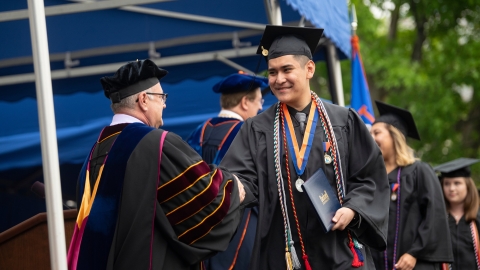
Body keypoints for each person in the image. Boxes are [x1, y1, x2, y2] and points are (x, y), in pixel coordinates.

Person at [220, 25, 390, 269]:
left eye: (287, 69)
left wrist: (353, 209)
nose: (279, 79)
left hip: (339, 251)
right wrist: (233, 185)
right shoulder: (256, 129)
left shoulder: (344, 121)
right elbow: (241, 177)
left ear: (309, 68)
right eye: (272, 72)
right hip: (283, 254)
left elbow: (369, 178)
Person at [66, 59, 246, 270]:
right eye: (161, 97)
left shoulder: (95, 152)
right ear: (143, 100)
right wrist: (234, 189)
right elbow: (204, 202)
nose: (165, 104)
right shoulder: (156, 144)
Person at [187, 72, 267, 270]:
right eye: (258, 101)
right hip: (241, 233)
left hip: (199, 235)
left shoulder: (199, 131)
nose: (261, 107)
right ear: (245, 102)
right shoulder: (250, 135)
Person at [369, 100, 454, 270]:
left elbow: (434, 216)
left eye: (376, 132)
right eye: (369, 133)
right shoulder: (371, 179)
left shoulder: (419, 172)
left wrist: (415, 253)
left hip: (415, 264)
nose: (371, 138)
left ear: (395, 136)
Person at [435, 158, 480, 270]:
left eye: (457, 183)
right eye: (447, 184)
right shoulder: (436, 219)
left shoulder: (477, 217)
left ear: (468, 186)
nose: (451, 188)